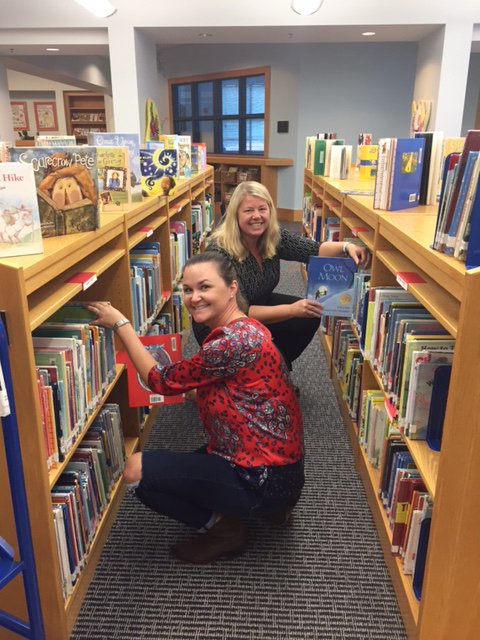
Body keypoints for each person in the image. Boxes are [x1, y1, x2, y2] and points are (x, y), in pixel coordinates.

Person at [85, 251, 304, 565]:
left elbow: (159, 380)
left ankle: (226, 530)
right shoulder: (249, 328)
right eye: (188, 290)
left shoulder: (228, 344)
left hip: (260, 475)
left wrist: (121, 326)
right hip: (282, 469)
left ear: (231, 288)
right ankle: (273, 507)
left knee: (137, 473)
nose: (194, 297)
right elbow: (224, 393)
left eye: (205, 287)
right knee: (175, 473)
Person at [193, 181, 370, 373]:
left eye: (262, 208)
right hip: (223, 323)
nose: (257, 216)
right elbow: (238, 312)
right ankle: (251, 373)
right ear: (235, 214)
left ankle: (273, 371)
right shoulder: (221, 254)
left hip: (258, 302)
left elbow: (314, 249)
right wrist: (291, 310)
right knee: (296, 313)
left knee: (309, 316)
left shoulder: (272, 237)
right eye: (248, 211)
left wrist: (347, 247)